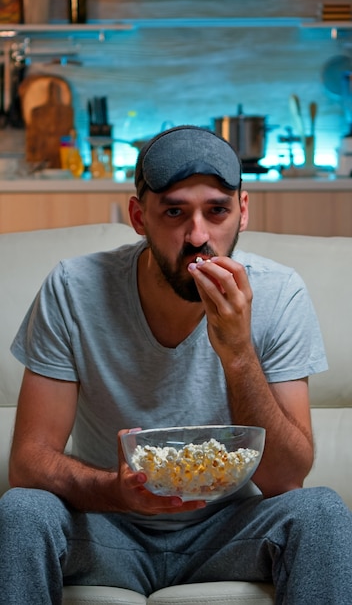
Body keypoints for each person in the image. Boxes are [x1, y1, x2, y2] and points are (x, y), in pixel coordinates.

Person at [0, 125, 351, 604]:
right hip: (108, 528)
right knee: (21, 511)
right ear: (139, 216)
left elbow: (285, 479)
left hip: (227, 532)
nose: (198, 236)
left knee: (321, 512)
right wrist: (116, 491)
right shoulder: (73, 289)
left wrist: (238, 353)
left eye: (217, 211)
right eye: (174, 212)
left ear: (243, 212)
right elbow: (28, 462)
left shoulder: (279, 293)